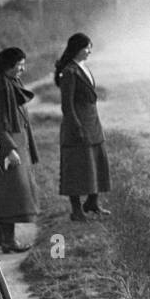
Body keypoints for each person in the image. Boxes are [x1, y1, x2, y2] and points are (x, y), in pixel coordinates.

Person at [0, 47, 37, 253]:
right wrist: (10, 149)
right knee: (12, 193)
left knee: (4, 192)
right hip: (5, 146)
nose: (22, 69)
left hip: (15, 143)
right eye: (19, 65)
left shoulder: (11, 83)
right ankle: (9, 241)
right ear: (7, 66)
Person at [55, 33, 111, 221]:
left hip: (92, 121)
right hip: (78, 123)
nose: (89, 51)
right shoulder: (70, 71)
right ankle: (76, 210)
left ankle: (92, 202)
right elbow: (67, 104)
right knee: (77, 167)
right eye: (87, 47)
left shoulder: (83, 67)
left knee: (96, 160)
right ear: (77, 48)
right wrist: (76, 126)